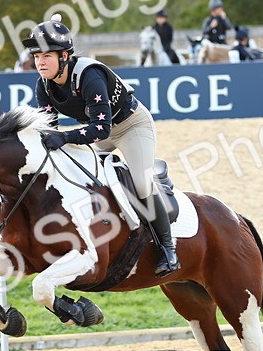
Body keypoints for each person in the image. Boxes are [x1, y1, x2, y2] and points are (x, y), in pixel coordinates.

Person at [25, 14, 179, 277]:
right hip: (97, 130)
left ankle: (168, 248)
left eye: (47, 55)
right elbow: (51, 130)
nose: (40, 61)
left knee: (141, 183)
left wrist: (64, 138)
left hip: (131, 126)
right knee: (77, 173)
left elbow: (101, 129)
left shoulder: (89, 75)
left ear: (64, 56)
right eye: (37, 56)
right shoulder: (44, 86)